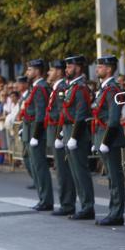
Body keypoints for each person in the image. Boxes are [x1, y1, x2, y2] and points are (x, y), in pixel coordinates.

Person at [92, 55, 125, 226]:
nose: (97, 69)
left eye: (100, 66)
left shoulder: (112, 89)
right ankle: (113, 210)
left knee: (115, 177)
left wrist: (105, 141)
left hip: (110, 139)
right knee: (111, 178)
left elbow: (113, 119)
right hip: (104, 137)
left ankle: (117, 213)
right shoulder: (104, 88)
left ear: (109, 69)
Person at [61, 55, 95, 220]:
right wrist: (63, 133)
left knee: (81, 171)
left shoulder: (80, 87)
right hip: (69, 131)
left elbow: (81, 114)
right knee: (75, 172)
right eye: (66, 66)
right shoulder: (72, 87)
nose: (67, 69)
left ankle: (88, 206)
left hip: (77, 133)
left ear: (78, 68)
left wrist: (73, 136)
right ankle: (84, 205)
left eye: (70, 66)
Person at [22, 59, 54, 210]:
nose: (27, 73)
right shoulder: (35, 87)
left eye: (29, 70)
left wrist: (35, 135)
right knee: (36, 167)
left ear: (36, 71)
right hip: (31, 130)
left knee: (40, 167)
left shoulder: (40, 88)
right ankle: (43, 198)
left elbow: (40, 115)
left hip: (36, 133)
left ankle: (46, 200)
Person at [46, 60, 76, 215]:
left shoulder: (62, 88)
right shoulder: (56, 88)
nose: (48, 73)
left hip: (61, 133)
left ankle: (67, 204)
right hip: (57, 132)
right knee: (60, 170)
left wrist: (59, 136)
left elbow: (61, 115)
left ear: (58, 72)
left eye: (51, 70)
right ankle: (66, 202)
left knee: (63, 171)